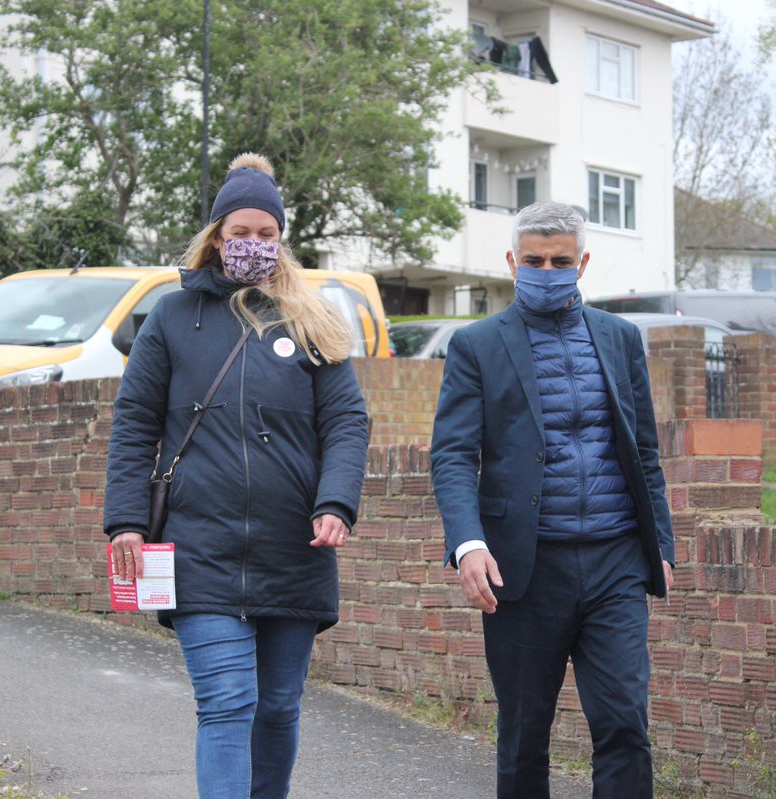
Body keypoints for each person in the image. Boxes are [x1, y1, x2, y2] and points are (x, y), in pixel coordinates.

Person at [103, 153, 369, 799]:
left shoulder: (313, 320)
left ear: (281, 239)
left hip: (294, 550)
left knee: (278, 707)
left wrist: (336, 500)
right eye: (241, 232)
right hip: (201, 550)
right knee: (227, 701)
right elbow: (134, 423)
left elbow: (347, 422)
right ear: (217, 236)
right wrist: (126, 521)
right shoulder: (170, 318)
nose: (253, 245)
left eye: (266, 234)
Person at [430, 201, 676, 799]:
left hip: (616, 560)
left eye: (560, 260)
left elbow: (644, 450)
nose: (547, 269)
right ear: (513, 261)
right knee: (523, 733)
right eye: (535, 260)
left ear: (582, 262)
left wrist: (659, 543)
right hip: (524, 567)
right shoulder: (476, 346)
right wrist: (467, 544)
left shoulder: (620, 340)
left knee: (623, 722)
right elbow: (453, 455)